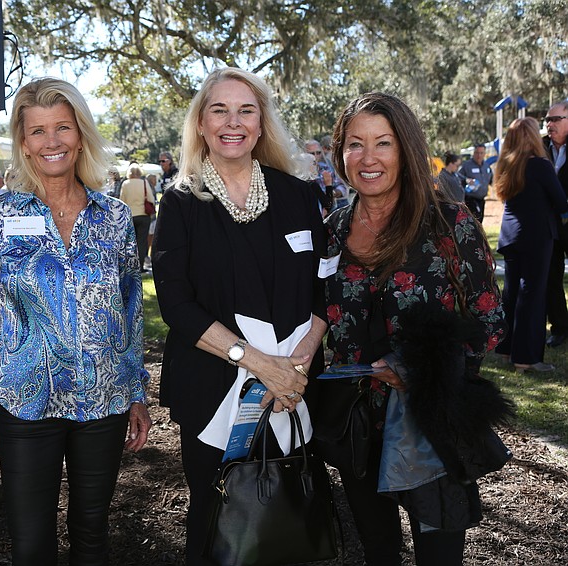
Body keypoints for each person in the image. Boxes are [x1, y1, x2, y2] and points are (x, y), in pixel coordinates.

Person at [0, 77, 152, 566]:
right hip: (26, 404)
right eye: (38, 131)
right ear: (23, 144)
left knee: (92, 536)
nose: (52, 141)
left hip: (104, 402)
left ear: (81, 135)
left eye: (63, 128)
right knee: (31, 545)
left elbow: (131, 309)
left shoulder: (112, 216)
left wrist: (137, 393)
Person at [320, 92, 506, 566]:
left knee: (438, 554)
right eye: (355, 144)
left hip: (431, 421)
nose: (368, 158)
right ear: (340, 152)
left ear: (405, 148)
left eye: (383, 143)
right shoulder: (333, 229)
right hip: (357, 425)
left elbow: (488, 321)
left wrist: (415, 368)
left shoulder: (450, 223)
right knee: (379, 552)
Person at [152, 67, 328, 566]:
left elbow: (325, 287)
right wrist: (257, 363)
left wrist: (296, 364)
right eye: (219, 110)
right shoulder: (181, 203)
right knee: (216, 514)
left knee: (284, 508)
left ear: (261, 122)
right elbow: (176, 304)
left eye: (246, 110)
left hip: (292, 387)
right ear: (201, 125)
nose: (234, 122)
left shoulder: (297, 195)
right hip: (213, 388)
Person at [493, 117, 567, 372]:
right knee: (533, 296)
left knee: (512, 293)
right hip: (536, 236)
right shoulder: (540, 165)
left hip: (510, 235)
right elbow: (561, 202)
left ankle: (505, 349)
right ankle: (526, 358)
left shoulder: (506, 164)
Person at [543, 101, 568, 348]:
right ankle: (560, 328)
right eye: (547, 120)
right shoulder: (539, 147)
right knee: (552, 278)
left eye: (555, 119)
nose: (550, 124)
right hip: (548, 226)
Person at [119, 163, 156, 272]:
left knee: (130, 242)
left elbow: (122, 200)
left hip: (130, 215)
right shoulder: (144, 183)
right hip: (143, 215)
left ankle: (130, 265)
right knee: (142, 241)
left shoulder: (125, 184)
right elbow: (151, 199)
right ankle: (140, 266)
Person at [458, 143, 492, 222]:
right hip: (470, 199)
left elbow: (491, 180)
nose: (479, 155)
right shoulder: (467, 165)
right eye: (477, 153)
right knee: (473, 222)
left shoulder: (486, 166)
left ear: (484, 154)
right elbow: (457, 177)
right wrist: (466, 180)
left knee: (480, 220)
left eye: (481, 153)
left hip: (481, 199)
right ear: (473, 153)